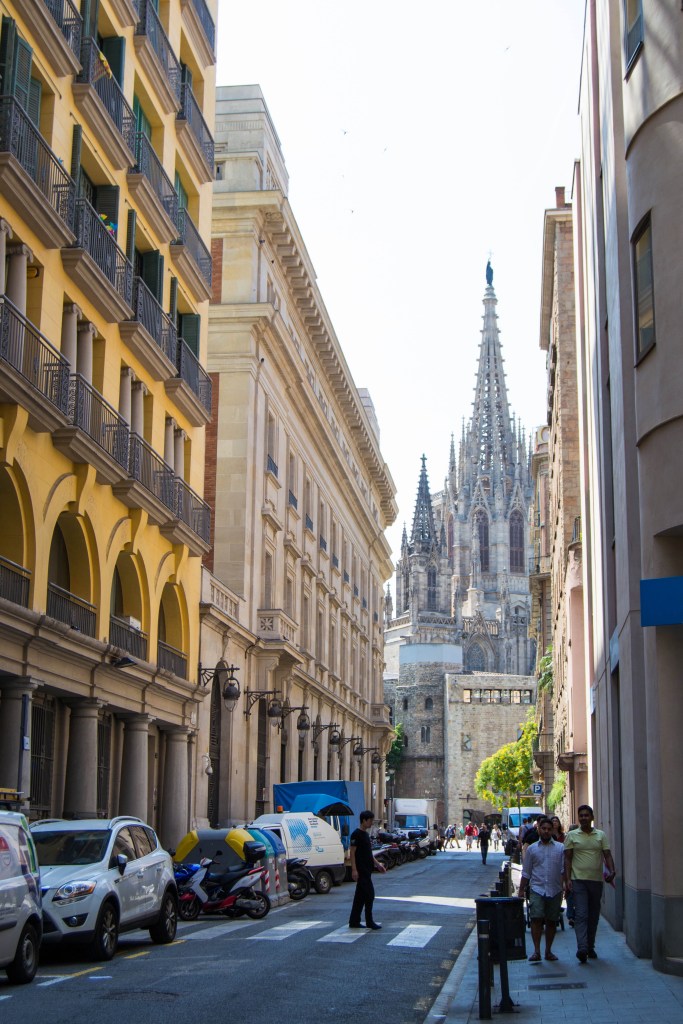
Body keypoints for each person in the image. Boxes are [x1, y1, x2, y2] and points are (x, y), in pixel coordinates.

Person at [564, 804, 616, 963]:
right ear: (578, 818)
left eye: (587, 815)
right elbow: (567, 859)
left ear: (592, 818)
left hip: (596, 881)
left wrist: (612, 871)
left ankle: (590, 946)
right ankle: (582, 948)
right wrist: (567, 880)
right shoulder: (572, 836)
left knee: (593, 916)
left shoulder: (601, 835)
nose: (584, 818)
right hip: (578, 880)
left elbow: (607, 855)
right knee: (581, 915)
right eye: (581, 816)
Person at [517, 816, 566, 962]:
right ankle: (536, 951)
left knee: (552, 921)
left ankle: (548, 951)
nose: (546, 831)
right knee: (536, 919)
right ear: (538, 830)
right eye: (543, 829)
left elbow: (564, 870)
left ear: (552, 831)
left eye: (548, 829)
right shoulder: (532, 849)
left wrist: (565, 885)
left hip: (555, 889)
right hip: (537, 889)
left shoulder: (560, 848)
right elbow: (526, 872)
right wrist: (521, 890)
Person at [348, 810, 387, 930]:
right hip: (361, 870)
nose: (371, 823)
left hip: (367, 869)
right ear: (364, 820)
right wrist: (354, 869)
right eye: (370, 820)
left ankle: (354, 921)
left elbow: (369, 854)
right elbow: (352, 852)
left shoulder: (365, 834)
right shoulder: (356, 834)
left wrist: (378, 865)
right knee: (370, 895)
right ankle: (369, 921)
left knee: (360, 897)